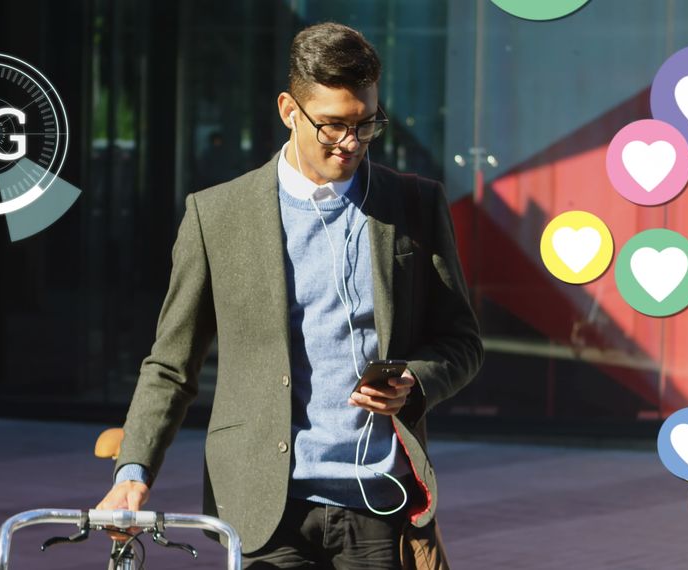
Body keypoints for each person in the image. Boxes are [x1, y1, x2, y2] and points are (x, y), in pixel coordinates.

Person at [96, 22, 483, 569]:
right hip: (263, 505)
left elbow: (463, 342)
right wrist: (134, 475)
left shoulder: (415, 204)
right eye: (331, 126)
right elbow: (171, 365)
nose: (351, 143)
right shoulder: (217, 215)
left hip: (377, 500)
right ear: (288, 110)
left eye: (366, 123)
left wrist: (416, 381)